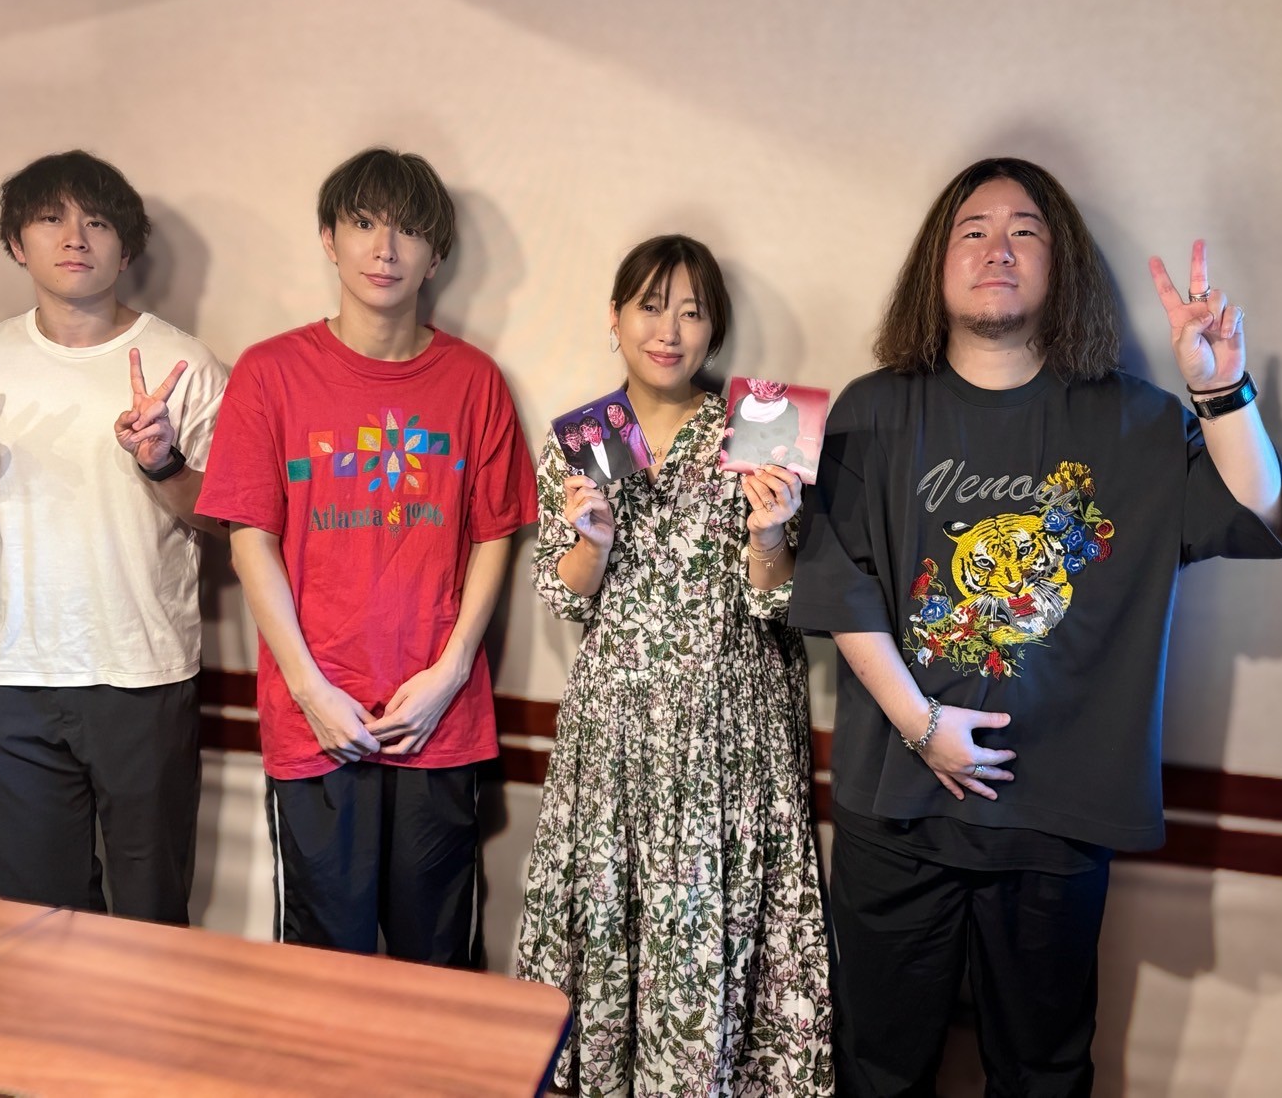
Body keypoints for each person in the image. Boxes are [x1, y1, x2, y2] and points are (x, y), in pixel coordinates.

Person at [790, 157, 1282, 1095]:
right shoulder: (875, 407)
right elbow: (838, 585)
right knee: (874, 1069)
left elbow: (1255, 511)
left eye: (1024, 230)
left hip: (1058, 809)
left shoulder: (1132, 421)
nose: (997, 249)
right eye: (973, 230)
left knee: (1044, 1072)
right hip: (895, 804)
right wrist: (921, 724)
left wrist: (1221, 389)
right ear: (936, 264)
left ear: (1060, 262)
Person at [195, 147, 537, 965]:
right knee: (323, 968)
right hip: (316, 721)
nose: (385, 249)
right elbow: (250, 542)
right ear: (328, 238)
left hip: (439, 720)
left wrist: (450, 672)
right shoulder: (269, 374)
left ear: (436, 254)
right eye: (363, 223)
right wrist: (310, 690)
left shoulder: (474, 381)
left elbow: (493, 535)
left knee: (436, 966)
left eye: (409, 230)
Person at [518, 234, 834, 1095]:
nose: (668, 330)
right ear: (615, 316)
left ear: (713, 330)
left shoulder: (759, 425)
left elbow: (779, 602)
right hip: (614, 733)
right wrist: (592, 542)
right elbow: (564, 596)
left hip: (732, 732)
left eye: (692, 312)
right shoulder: (582, 437)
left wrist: (768, 534)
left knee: (711, 927)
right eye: (651, 307)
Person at [0, 150, 227, 923]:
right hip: (10, 679)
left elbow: (223, 519)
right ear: (18, 244)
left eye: (98, 222)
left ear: (127, 248)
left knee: (151, 922)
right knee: (36, 930)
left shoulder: (186, 365)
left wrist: (162, 461)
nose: (75, 236)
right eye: (50, 219)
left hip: (143, 677)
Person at [605, 398, 651, 466]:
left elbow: (651, 454)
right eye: (610, 416)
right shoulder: (614, 440)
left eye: (617, 412)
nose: (614, 416)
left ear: (625, 413)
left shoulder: (638, 429)